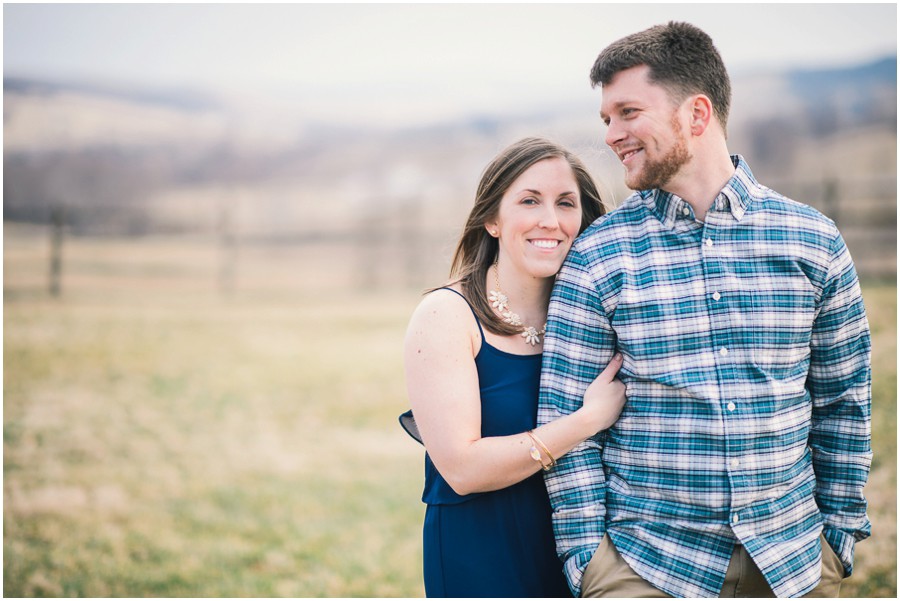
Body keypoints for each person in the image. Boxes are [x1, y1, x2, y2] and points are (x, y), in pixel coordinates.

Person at [537, 22, 871, 598]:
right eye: (606, 119)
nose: (612, 134)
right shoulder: (598, 255)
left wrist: (836, 537)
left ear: (696, 114)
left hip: (793, 563)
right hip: (649, 567)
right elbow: (565, 420)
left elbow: (844, 400)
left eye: (627, 112)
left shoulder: (811, 240)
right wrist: (588, 562)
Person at [403, 137, 627, 597]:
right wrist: (585, 422)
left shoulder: (597, 320)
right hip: (483, 554)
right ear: (492, 220)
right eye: (529, 200)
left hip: (587, 554)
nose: (551, 220)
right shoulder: (447, 317)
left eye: (566, 203)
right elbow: (462, 468)